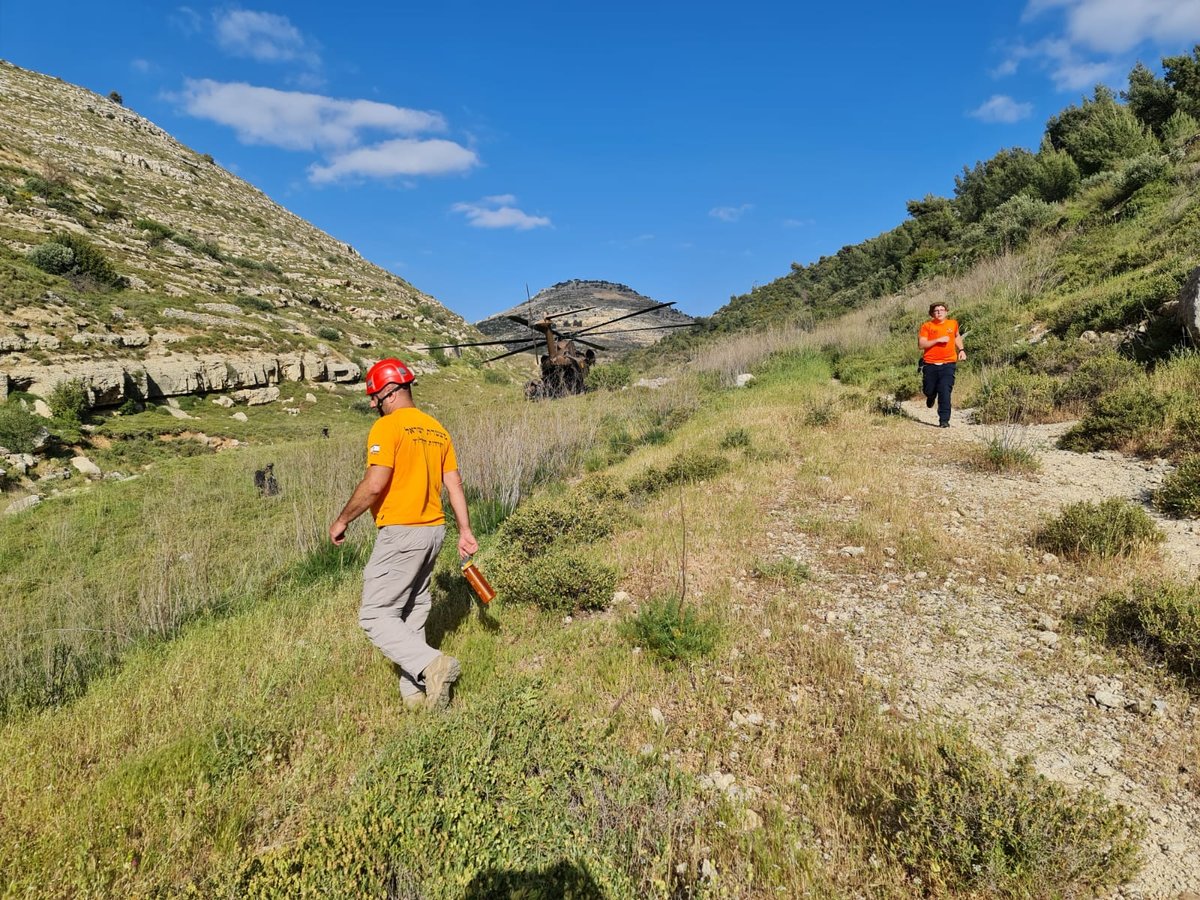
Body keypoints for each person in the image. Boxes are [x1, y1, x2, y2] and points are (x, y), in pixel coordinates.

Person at [329, 358, 478, 710]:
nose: (372, 404)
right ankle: (416, 694)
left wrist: (343, 519)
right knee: (411, 611)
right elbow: (453, 484)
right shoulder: (437, 429)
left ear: (390, 393)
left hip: (402, 531)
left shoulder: (388, 427)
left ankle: (432, 665)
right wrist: (465, 530)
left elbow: (375, 482)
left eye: (374, 397)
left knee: (375, 615)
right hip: (434, 531)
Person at [918, 303, 966, 428]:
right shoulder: (927, 326)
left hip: (948, 363)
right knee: (929, 389)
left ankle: (944, 420)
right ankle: (931, 395)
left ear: (946, 312)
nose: (939, 312)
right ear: (932, 313)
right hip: (930, 363)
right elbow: (921, 344)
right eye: (936, 310)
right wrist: (937, 340)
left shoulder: (953, 324)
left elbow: (956, 336)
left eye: (942, 310)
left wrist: (961, 350)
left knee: (945, 390)